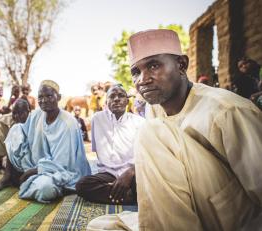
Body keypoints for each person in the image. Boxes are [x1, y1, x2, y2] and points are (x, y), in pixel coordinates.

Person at [88, 29, 262, 231]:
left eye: (153, 65)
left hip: (231, 219)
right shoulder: (154, 108)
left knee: (150, 133)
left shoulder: (227, 110)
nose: (143, 79)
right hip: (187, 211)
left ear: (181, 65)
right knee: (100, 226)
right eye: (136, 72)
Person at [1, 80, 91, 203]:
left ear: (58, 97)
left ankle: (29, 180)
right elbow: (23, 129)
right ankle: (7, 176)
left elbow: (62, 164)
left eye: (49, 96)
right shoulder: (38, 114)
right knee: (16, 129)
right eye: (41, 97)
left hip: (63, 171)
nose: (44, 100)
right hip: (38, 162)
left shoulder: (68, 124)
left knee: (45, 189)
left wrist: (33, 171)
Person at [76, 85, 144, 205]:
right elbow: (98, 151)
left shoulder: (139, 122)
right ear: (106, 102)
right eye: (112, 96)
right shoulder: (97, 119)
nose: (116, 99)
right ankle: (128, 196)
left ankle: (118, 193)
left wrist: (131, 172)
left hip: (133, 173)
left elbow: (145, 155)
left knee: (147, 184)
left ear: (127, 101)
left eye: (121, 96)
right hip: (109, 173)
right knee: (82, 185)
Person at [0, 99, 30, 192]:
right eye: (14, 113)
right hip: (18, 166)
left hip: (32, 167)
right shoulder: (15, 127)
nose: (17, 116)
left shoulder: (35, 125)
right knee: (14, 129)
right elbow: (10, 150)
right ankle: (6, 177)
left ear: (28, 112)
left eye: (21, 113)